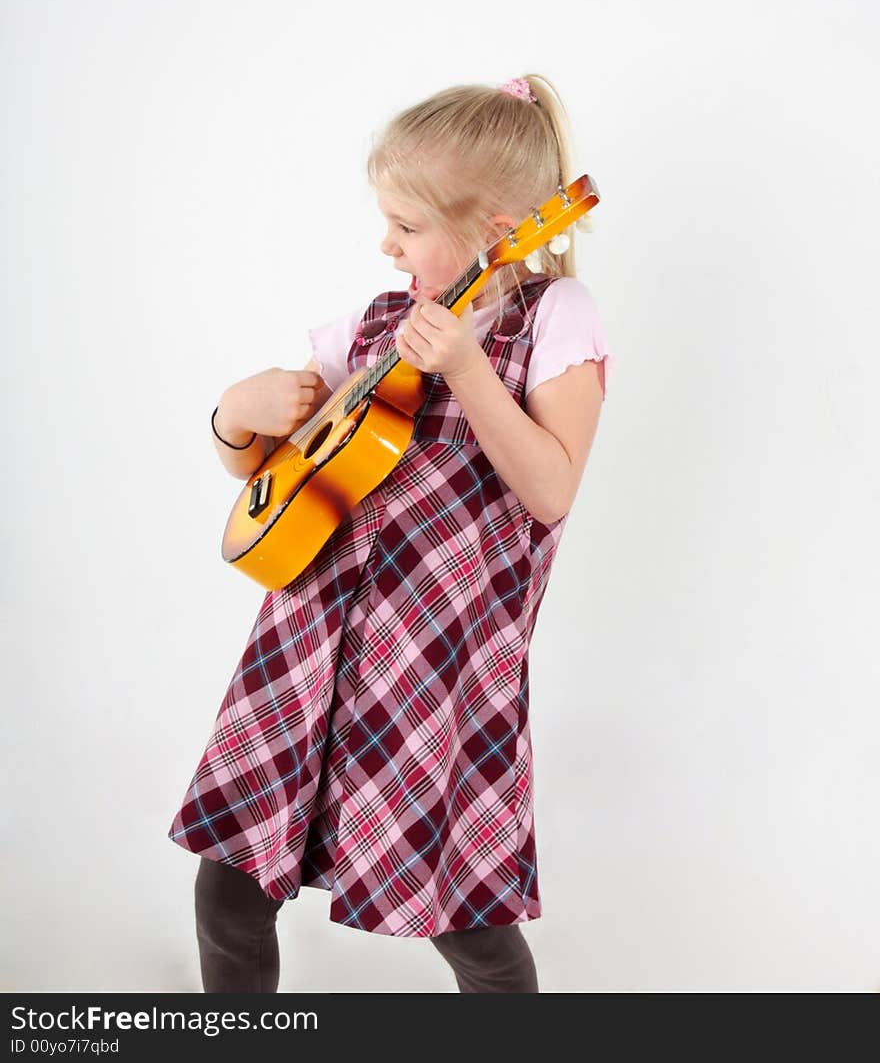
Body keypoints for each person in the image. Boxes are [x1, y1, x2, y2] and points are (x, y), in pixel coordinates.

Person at [167, 73, 614, 993]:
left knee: (469, 923)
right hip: (303, 649)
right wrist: (233, 417)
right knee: (230, 892)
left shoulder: (554, 323)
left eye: (406, 226)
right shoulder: (369, 329)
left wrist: (468, 370)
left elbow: (550, 488)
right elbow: (276, 485)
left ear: (495, 228)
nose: (386, 244)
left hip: (436, 670)